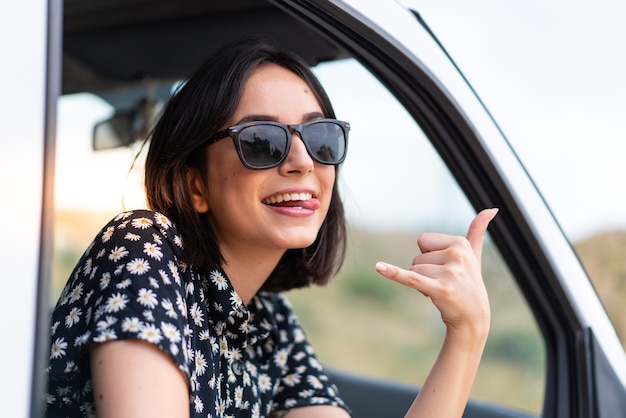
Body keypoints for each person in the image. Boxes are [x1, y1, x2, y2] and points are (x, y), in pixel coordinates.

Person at [45, 37, 498, 418]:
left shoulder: (268, 322)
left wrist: (467, 333)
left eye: (320, 138)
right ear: (195, 183)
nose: (302, 161)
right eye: (261, 141)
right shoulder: (142, 247)